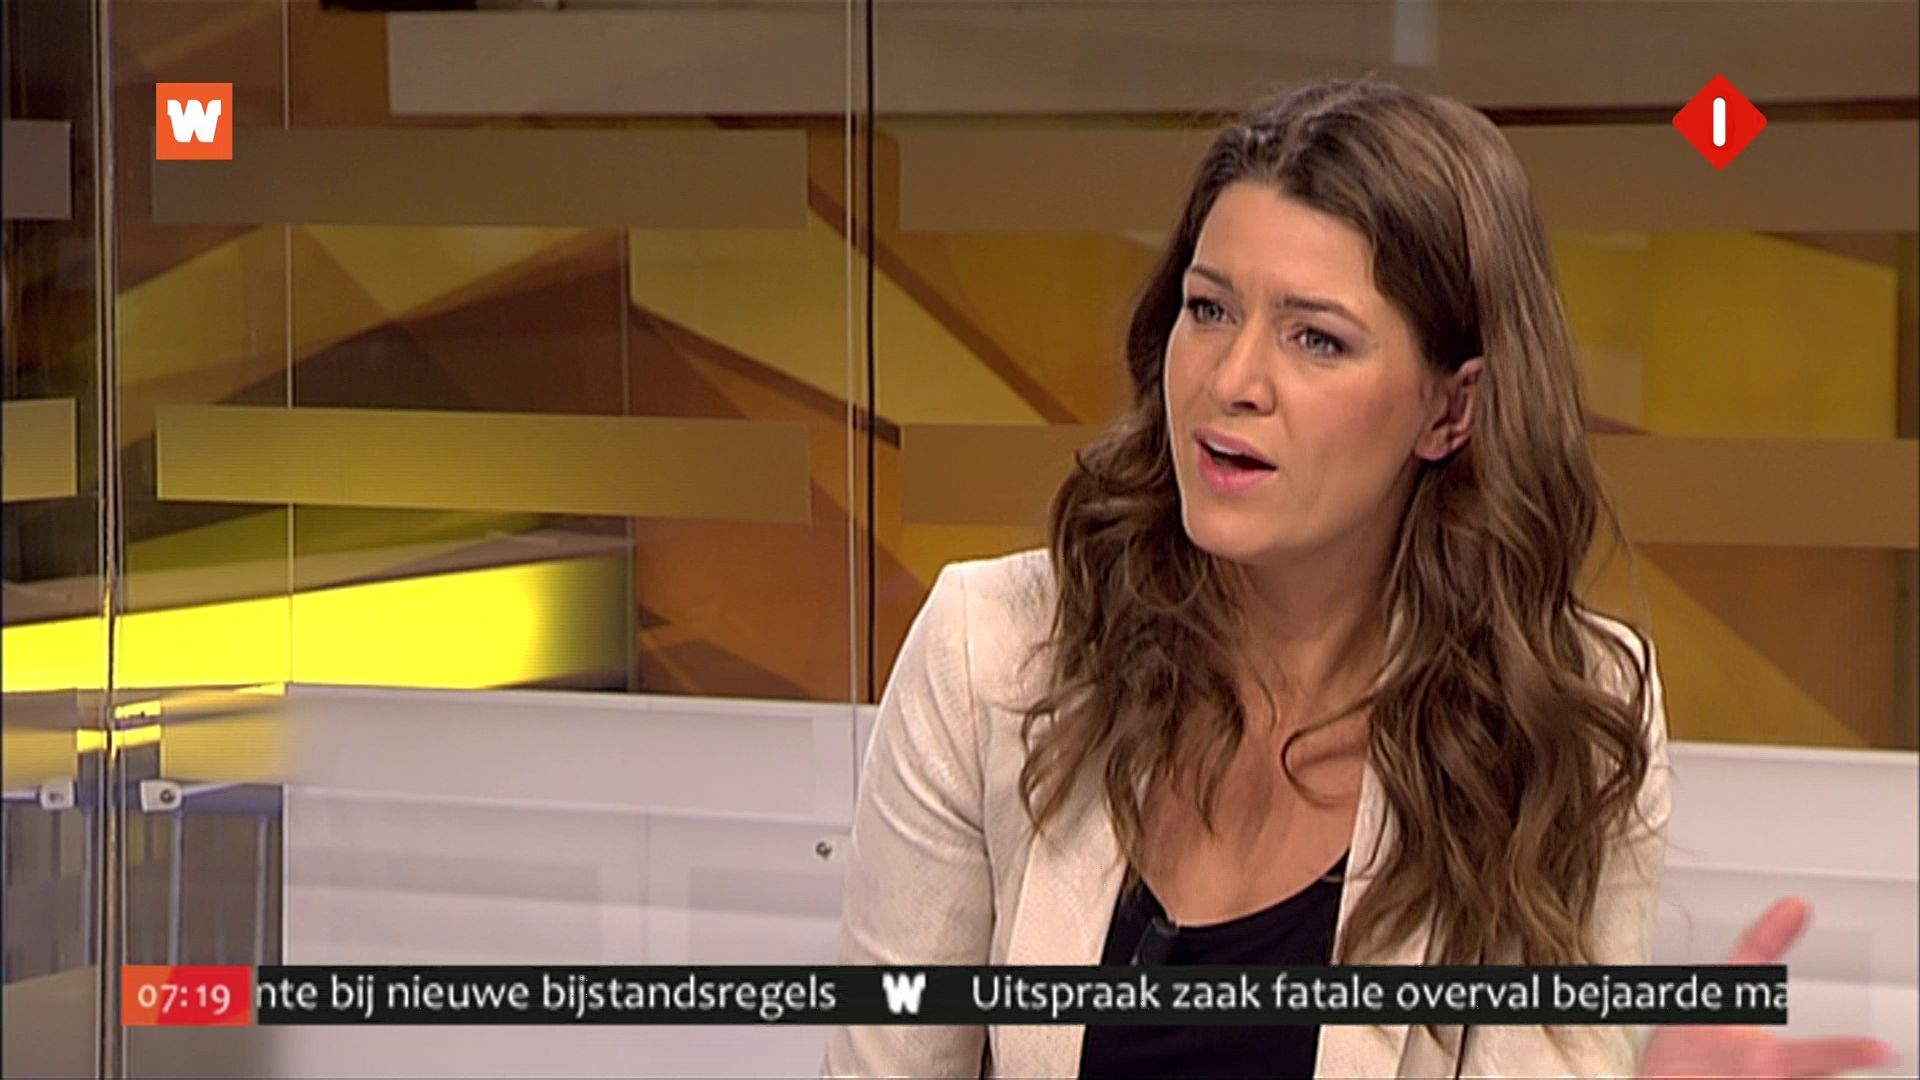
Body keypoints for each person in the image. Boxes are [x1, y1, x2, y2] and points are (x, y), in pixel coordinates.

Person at [822, 76, 1897, 1079]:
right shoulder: (994, 652)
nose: (1233, 379)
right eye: (1209, 309)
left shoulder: (1558, 716)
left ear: (1451, 409)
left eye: (1317, 340)